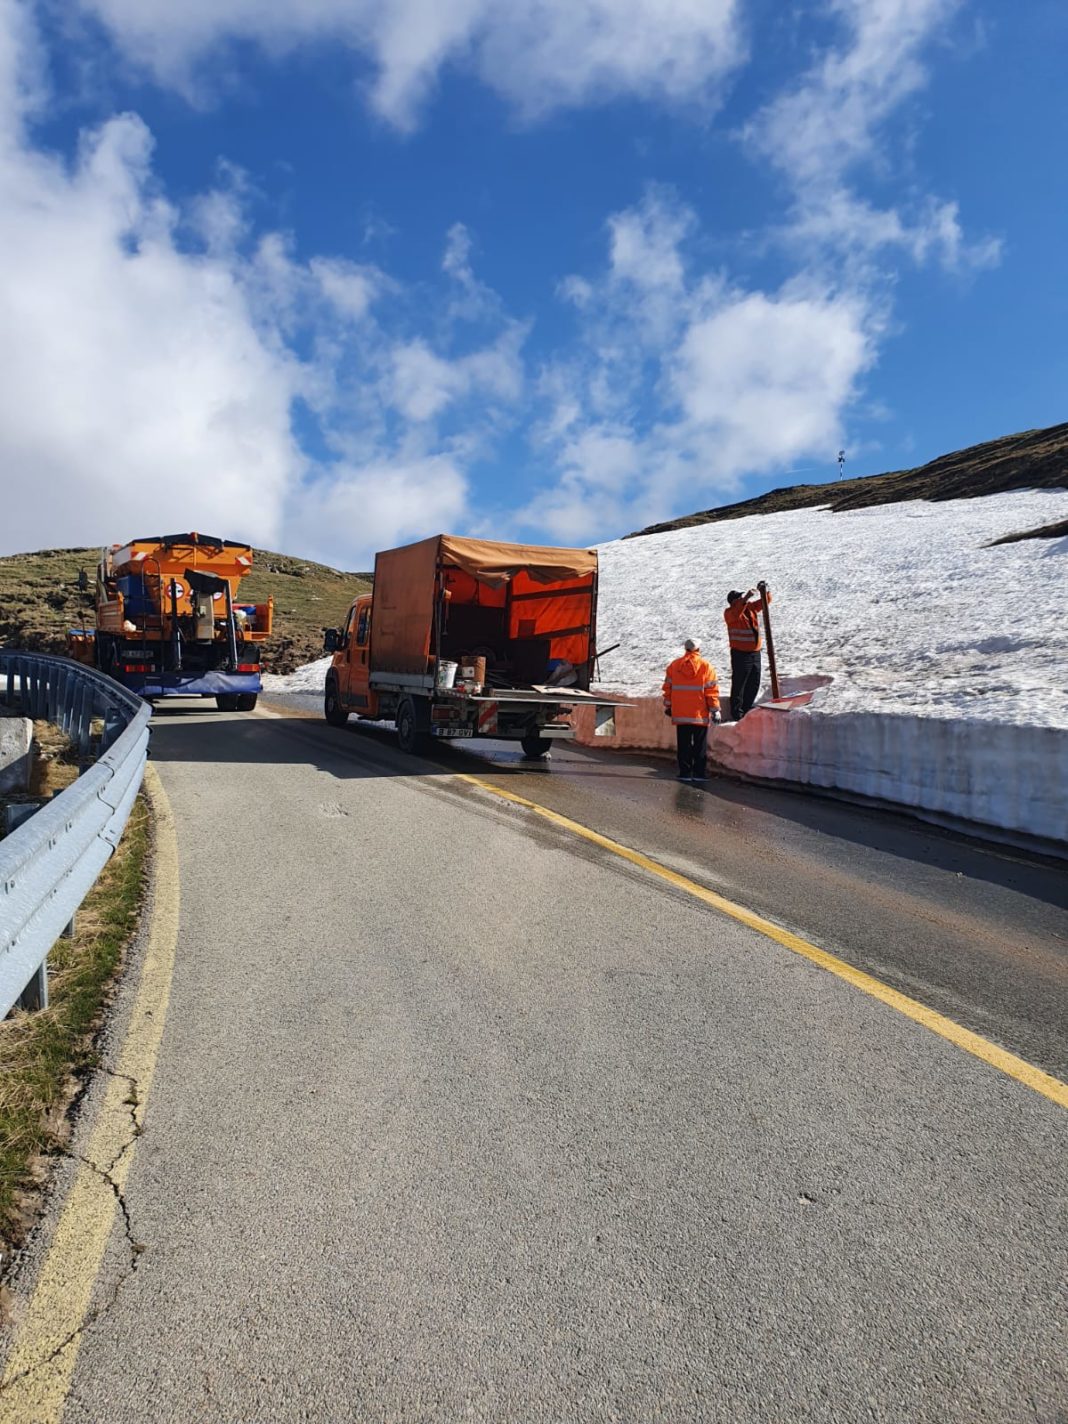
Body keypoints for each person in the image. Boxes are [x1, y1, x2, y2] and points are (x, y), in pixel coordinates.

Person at [662, 639, 721, 781]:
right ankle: (699, 773)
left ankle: (685, 773)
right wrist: (715, 709)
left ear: (686, 649)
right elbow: (711, 691)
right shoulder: (706, 666)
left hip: (681, 714)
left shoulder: (674, 666)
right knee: (700, 745)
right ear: (698, 650)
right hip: (699, 714)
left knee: (684, 744)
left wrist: (669, 706)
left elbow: (667, 689)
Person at [724, 585, 770, 721]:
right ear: (733, 602)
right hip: (740, 654)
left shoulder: (749, 608)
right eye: (738, 598)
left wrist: (766, 591)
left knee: (754, 682)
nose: (742, 599)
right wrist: (746, 598)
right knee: (740, 683)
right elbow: (738, 609)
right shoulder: (730, 613)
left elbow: (764, 603)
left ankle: (747, 707)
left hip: (755, 653)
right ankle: (737, 713)